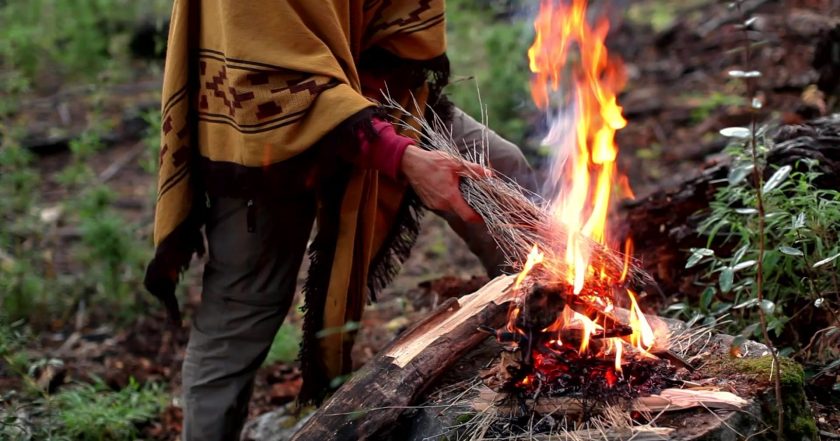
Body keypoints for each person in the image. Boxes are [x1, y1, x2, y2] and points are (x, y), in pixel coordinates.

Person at [143, 1, 537, 439]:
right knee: (242, 313)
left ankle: (553, 339)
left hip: (368, 99)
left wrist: (374, 115)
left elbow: (396, 19)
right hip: (261, 132)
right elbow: (269, 79)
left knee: (499, 168)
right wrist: (398, 154)